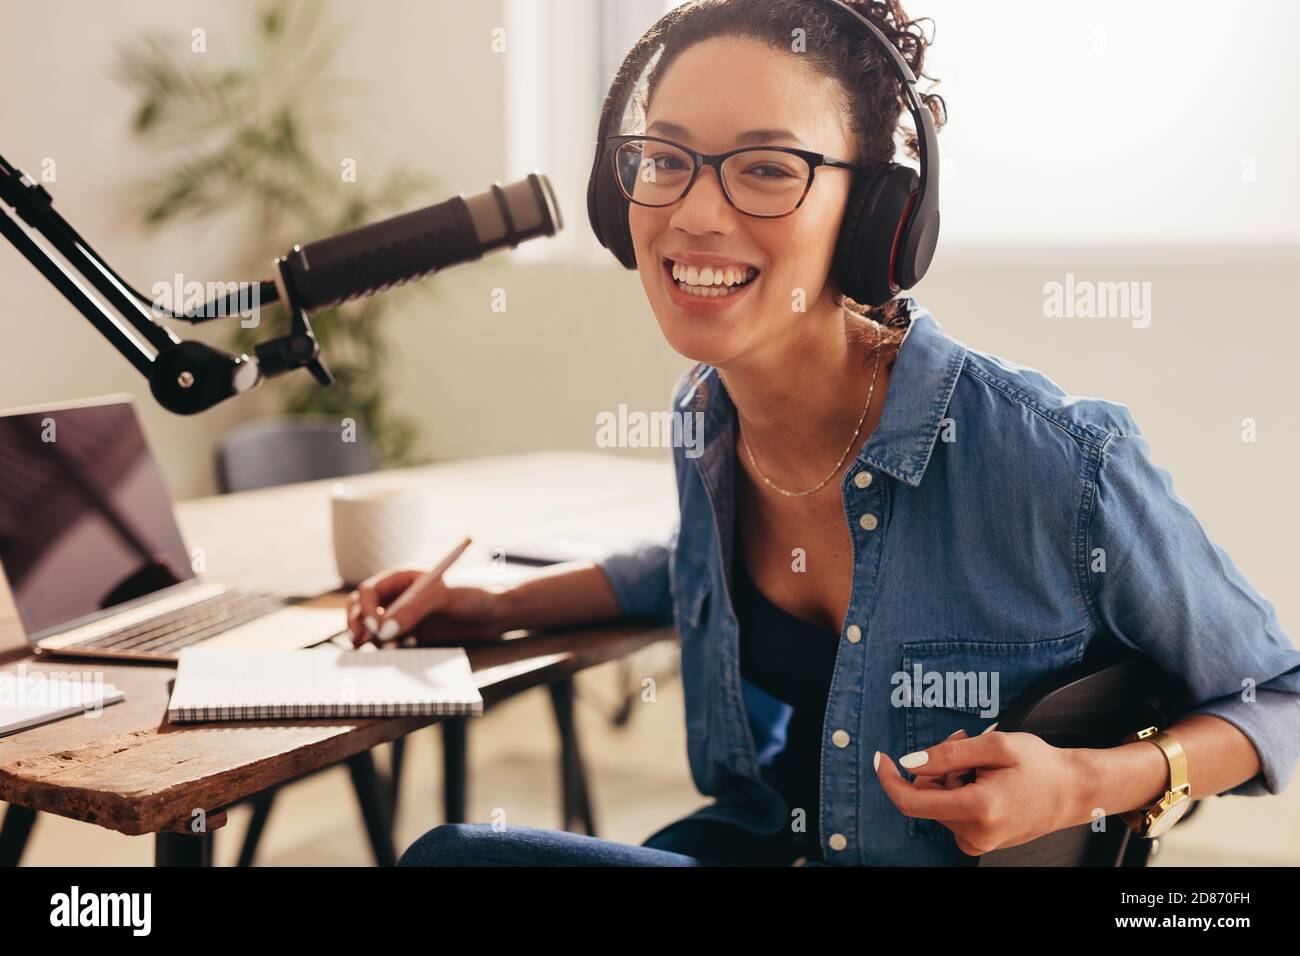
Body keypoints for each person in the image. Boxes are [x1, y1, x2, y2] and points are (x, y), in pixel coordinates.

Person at [349, 0, 1300, 866]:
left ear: (878, 219)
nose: (694, 212)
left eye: (767, 168)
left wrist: (1090, 784)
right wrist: (492, 606)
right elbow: (688, 565)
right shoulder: (708, 422)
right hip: (766, 839)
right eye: (664, 159)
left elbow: (1280, 696)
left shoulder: (1057, 463)